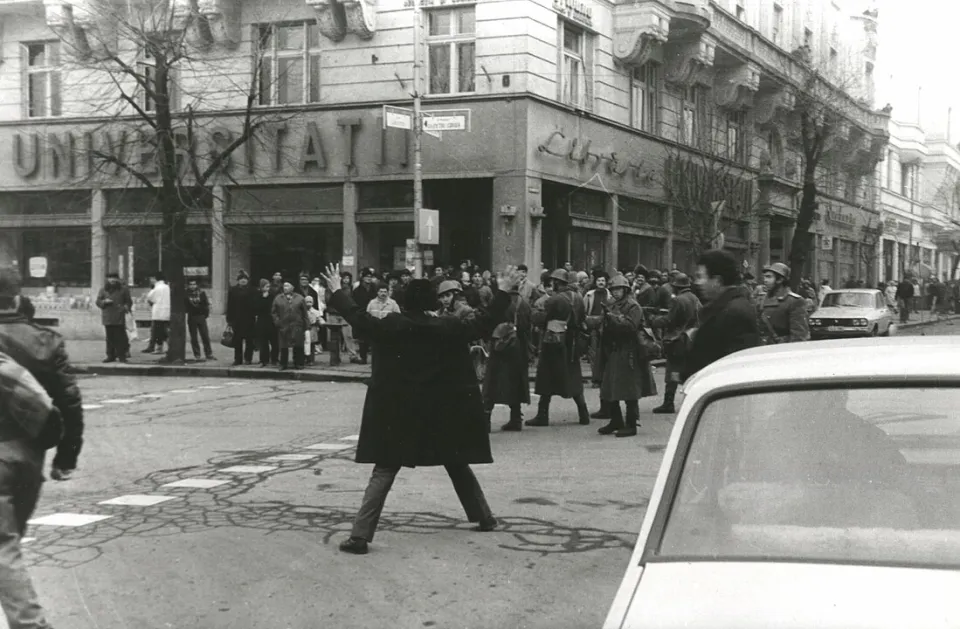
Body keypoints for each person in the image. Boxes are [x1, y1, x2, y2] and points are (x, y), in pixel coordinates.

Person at [323, 263, 517, 555]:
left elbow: (358, 318)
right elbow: (485, 320)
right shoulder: (449, 326)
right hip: (440, 413)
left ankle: (360, 536)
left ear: (404, 302)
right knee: (456, 461)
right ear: (432, 302)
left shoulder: (391, 325)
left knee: (385, 468)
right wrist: (503, 290)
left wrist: (338, 290)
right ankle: (484, 517)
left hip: (399, 413)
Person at [0, 267, 84, 482]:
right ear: (17, 300)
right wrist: (66, 457)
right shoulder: (45, 341)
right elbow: (69, 402)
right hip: (22, 451)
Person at [0, 351, 60, 628]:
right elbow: (48, 412)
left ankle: (30, 624)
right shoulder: (6, 366)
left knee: (3, 546)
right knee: (8, 541)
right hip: (24, 458)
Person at [593, 275, 657, 438]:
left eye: (618, 289)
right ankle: (616, 420)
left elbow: (630, 326)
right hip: (614, 349)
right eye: (613, 289)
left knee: (629, 390)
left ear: (626, 290)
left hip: (629, 351)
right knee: (609, 388)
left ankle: (631, 423)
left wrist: (612, 318)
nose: (615, 292)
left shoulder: (633, 306)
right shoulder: (612, 304)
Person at [682, 250, 761, 381]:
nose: (697, 282)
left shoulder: (735, 312)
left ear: (717, 280)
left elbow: (737, 368)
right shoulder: (723, 308)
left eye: (701, 277)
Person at [527, 268, 591, 426]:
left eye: (553, 282)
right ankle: (584, 414)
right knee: (574, 377)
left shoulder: (554, 300)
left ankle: (542, 416)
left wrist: (534, 313)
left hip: (553, 343)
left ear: (557, 282)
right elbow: (582, 318)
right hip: (572, 343)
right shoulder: (578, 297)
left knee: (546, 378)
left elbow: (541, 319)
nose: (552, 284)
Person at [483, 280, 532, 432]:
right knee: (516, 383)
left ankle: (486, 421)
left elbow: (490, 321)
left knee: (491, 384)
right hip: (519, 349)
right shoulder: (524, 304)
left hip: (500, 349)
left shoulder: (502, 303)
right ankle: (516, 418)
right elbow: (527, 326)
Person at [650, 273, 701, 414]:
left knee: (673, 371)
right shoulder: (694, 298)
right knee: (689, 371)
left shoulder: (677, 300)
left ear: (676, 287)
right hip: (691, 338)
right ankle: (692, 400)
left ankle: (668, 402)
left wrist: (654, 320)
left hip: (677, 339)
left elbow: (669, 320)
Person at [758, 263, 809, 344]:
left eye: (769, 277)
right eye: (764, 276)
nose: (765, 280)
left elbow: (799, 336)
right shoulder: (762, 299)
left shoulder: (794, 301)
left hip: (781, 350)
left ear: (780, 280)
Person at [95, 271, 133, 363]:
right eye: (110, 278)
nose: (112, 280)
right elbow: (98, 301)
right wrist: (104, 302)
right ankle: (110, 356)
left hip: (119, 316)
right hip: (108, 316)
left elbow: (129, 302)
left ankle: (122, 356)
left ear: (118, 279)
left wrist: (125, 307)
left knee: (120, 337)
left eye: (114, 278)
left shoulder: (123, 289)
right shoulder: (103, 289)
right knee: (109, 337)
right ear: (107, 279)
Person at [272, 281, 309, 370]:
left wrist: (306, 325)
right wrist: (277, 322)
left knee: (298, 345)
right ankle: (283, 364)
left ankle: (299, 363)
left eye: (288, 286)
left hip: (297, 325)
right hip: (283, 325)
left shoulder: (300, 298)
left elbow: (304, 313)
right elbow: (274, 312)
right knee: (283, 345)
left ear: (292, 287)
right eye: (284, 286)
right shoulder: (278, 298)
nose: (285, 287)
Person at [226, 271, 257, 366]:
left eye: (245, 279)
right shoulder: (233, 291)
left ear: (247, 280)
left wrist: (256, 316)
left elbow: (255, 305)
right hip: (237, 319)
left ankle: (248, 358)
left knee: (249, 340)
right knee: (237, 341)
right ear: (238, 280)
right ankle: (237, 359)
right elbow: (230, 305)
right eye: (241, 279)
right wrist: (229, 320)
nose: (243, 281)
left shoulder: (252, 290)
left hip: (249, 319)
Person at [185, 278, 215, 362]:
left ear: (197, 285)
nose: (192, 286)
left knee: (205, 335)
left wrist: (205, 315)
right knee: (193, 337)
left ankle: (209, 354)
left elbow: (206, 304)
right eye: (190, 284)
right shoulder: (186, 294)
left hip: (201, 316)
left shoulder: (201, 293)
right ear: (188, 285)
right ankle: (197, 354)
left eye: (194, 284)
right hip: (192, 316)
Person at [143, 272, 170, 355]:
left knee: (157, 332)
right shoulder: (168, 287)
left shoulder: (156, 288)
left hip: (158, 313)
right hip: (167, 313)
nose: (150, 280)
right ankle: (170, 347)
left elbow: (150, 297)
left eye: (151, 278)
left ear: (155, 278)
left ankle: (158, 348)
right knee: (166, 332)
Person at [255, 279, 278, 367]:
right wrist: (263, 298)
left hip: (271, 321)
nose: (267, 288)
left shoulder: (272, 296)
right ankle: (264, 360)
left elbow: (274, 307)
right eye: (265, 286)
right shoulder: (258, 296)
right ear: (261, 287)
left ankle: (274, 359)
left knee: (274, 342)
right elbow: (256, 307)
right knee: (263, 342)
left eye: (268, 286)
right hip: (261, 320)